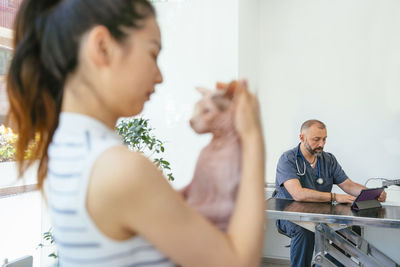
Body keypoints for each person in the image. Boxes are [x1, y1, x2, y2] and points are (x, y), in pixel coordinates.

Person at [6, 1, 265, 266]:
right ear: (103, 47)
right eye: (153, 54)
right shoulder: (119, 169)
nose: (160, 76)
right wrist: (252, 135)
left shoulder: (62, 149)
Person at [274, 119, 386, 267]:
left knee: (351, 228)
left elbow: (348, 184)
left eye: (324, 139)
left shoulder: (328, 160)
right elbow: (298, 193)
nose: (322, 144)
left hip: (320, 214)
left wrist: (371, 193)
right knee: (305, 231)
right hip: (291, 216)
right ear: (302, 137)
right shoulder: (288, 159)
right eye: (316, 139)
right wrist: (335, 197)